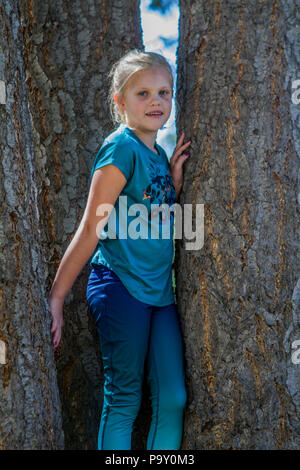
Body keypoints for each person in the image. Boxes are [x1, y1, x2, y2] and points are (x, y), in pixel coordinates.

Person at [49, 49, 191, 450]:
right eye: (143, 93)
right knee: (125, 399)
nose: (156, 102)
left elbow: (149, 212)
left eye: (164, 92)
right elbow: (91, 228)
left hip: (160, 294)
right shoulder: (120, 149)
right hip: (120, 286)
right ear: (120, 102)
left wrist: (174, 186)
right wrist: (57, 299)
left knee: (173, 399)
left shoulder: (158, 154)